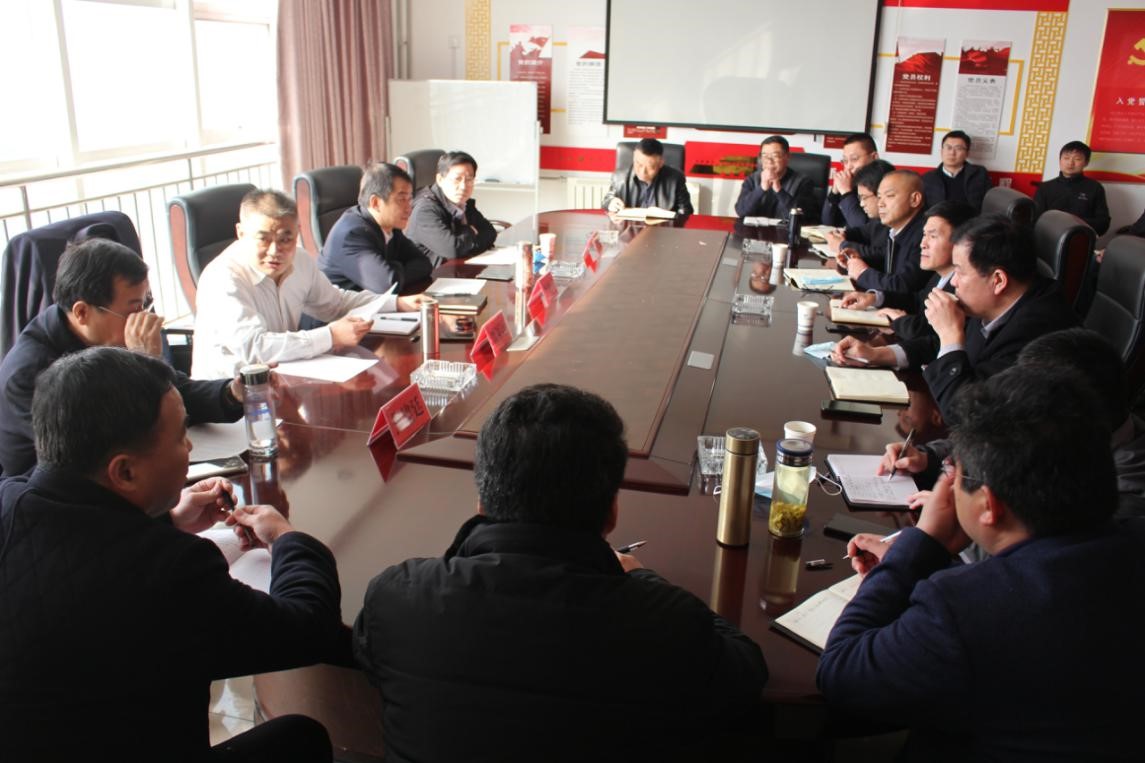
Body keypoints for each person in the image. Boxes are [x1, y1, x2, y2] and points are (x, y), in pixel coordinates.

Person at [353, 384, 767, 762]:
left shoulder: (397, 599)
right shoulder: (667, 624)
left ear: (481, 501)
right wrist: (643, 578)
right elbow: (746, 669)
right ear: (612, 513)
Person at [0, 346, 348, 761]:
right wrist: (288, 538)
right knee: (301, 738)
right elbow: (308, 629)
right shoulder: (167, 569)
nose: (189, 447)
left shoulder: (9, 499)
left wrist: (165, 519)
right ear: (125, 472)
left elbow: (81, 552)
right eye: (181, 436)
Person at [818, 364, 1145, 760]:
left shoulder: (963, 610)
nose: (949, 482)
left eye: (953, 472)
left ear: (989, 505)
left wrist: (920, 545)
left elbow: (841, 677)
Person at [0, 238, 243, 477]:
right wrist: (143, 366)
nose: (143, 319)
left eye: (145, 306)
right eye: (133, 310)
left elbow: (174, 391)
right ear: (82, 312)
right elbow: (100, 447)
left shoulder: (107, 334)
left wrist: (231, 394)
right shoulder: (28, 373)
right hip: (57, 489)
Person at [881, 328, 1145, 519]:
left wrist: (964, 515)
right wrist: (927, 458)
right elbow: (998, 438)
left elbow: (1040, 559)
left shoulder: (1124, 503)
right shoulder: (1064, 431)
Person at [192, 188, 424, 379]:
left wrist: (397, 303)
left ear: (298, 233)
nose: (275, 251)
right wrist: (330, 336)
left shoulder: (300, 259)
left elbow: (335, 303)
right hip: (229, 397)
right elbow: (255, 348)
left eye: (286, 239)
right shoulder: (222, 278)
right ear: (241, 233)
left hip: (282, 377)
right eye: (263, 239)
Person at [921, 215, 1078, 420]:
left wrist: (949, 334)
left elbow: (966, 414)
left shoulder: (1035, 334)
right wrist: (889, 354)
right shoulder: (992, 303)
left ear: (998, 280)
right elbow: (949, 345)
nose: (953, 282)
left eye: (959, 272)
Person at [831, 201, 977, 370]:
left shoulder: (963, 288)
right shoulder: (940, 275)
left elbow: (934, 335)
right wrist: (874, 298)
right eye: (924, 235)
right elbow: (917, 300)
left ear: (961, 243)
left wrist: (901, 322)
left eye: (933, 236)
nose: (923, 244)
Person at [319, 162, 437, 295]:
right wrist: (395, 267)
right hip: (343, 306)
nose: (409, 208)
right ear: (375, 202)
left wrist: (392, 268)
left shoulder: (390, 225)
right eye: (401, 199)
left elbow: (424, 264)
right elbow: (387, 285)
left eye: (409, 199)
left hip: (375, 302)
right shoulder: (352, 235)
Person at [837, 170, 931, 294]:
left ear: (914, 199)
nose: (880, 204)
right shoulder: (896, 231)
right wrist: (858, 261)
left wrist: (862, 273)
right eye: (879, 197)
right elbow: (890, 271)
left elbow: (904, 286)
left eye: (889, 196)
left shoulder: (926, 234)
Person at [404, 151, 498, 263]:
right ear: (440, 180)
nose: (463, 187)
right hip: (431, 273)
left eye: (469, 180)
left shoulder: (463, 203)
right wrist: (470, 231)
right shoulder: (425, 210)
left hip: (457, 267)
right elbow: (452, 249)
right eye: (457, 179)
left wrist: (467, 244)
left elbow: (490, 232)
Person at [823, 159, 895, 262]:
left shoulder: (896, 220)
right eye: (845, 160)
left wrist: (842, 245)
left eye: (864, 198)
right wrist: (842, 234)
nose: (862, 204)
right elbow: (863, 232)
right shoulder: (878, 219)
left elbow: (883, 255)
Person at [1033, 140, 1111, 235]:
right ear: (1060, 160)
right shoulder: (1045, 187)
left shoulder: (1095, 187)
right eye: (1066, 158)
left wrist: (1074, 223)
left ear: (1086, 162)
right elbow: (1036, 219)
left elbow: (1103, 223)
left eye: (1077, 159)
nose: (1070, 163)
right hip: (1049, 237)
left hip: (1081, 238)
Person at [734, 135, 818, 222]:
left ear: (787, 156)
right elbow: (741, 211)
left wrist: (779, 190)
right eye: (765, 156)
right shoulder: (752, 179)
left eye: (775, 156)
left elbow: (802, 216)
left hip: (785, 230)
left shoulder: (803, 182)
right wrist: (761, 189)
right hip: (755, 230)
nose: (769, 161)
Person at [602, 137, 693, 216]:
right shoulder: (619, 177)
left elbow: (686, 211)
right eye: (639, 164)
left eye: (650, 167)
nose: (643, 172)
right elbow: (607, 200)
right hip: (629, 228)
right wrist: (611, 203)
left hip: (662, 228)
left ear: (661, 163)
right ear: (634, 157)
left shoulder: (675, 179)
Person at [921, 130, 990, 212]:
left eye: (958, 148)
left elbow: (989, 204)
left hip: (972, 219)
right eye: (948, 147)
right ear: (942, 151)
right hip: (939, 219)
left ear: (967, 153)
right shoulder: (928, 178)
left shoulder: (979, 174)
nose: (952, 153)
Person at [822, 133, 880, 228]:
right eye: (845, 161)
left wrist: (846, 192)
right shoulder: (851, 182)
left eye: (854, 159)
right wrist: (834, 193)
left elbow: (864, 229)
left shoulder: (884, 185)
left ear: (874, 157)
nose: (848, 167)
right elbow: (826, 224)